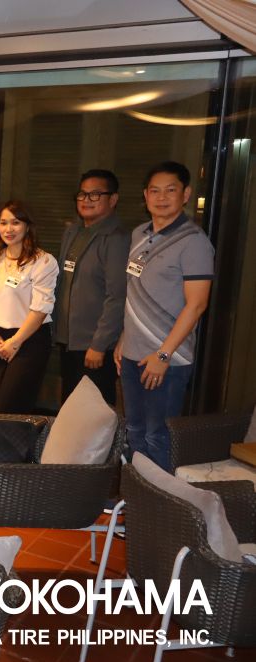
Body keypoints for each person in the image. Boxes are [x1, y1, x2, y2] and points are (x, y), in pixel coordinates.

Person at [116, 161, 213, 472]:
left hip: (167, 360)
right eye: (154, 191)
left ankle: (161, 499)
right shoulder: (139, 234)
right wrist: (123, 338)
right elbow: (135, 290)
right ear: (145, 196)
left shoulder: (194, 241)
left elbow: (197, 305)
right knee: (134, 431)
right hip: (132, 354)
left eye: (170, 190)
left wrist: (163, 354)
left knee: (158, 436)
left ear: (186, 194)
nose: (161, 197)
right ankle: (137, 494)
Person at [54, 169, 129, 405]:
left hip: (94, 345)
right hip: (69, 340)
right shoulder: (73, 232)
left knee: (93, 413)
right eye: (82, 194)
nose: (86, 200)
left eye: (95, 195)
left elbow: (117, 296)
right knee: (70, 408)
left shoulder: (116, 238)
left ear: (113, 199)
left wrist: (99, 345)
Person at [0, 201, 59, 413]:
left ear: (27, 226)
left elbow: (41, 308)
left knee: (12, 406)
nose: (8, 229)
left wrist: (15, 342)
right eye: (3, 223)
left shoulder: (43, 261)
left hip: (29, 340)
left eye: (15, 222)